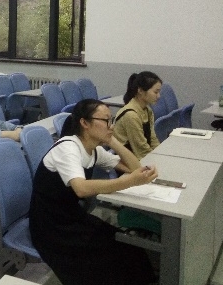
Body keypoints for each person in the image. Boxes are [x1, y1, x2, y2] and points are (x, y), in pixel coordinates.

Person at [29, 99, 158, 285]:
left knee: (127, 246)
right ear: (85, 123)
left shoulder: (94, 149)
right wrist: (128, 182)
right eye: (106, 120)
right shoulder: (68, 148)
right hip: (49, 225)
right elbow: (81, 189)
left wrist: (112, 141)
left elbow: (135, 168)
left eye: (111, 120)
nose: (111, 126)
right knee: (106, 261)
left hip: (71, 216)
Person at [113, 71, 162, 160]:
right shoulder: (131, 115)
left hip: (141, 156)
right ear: (140, 91)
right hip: (126, 160)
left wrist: (161, 154)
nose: (159, 96)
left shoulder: (148, 110)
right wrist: (158, 160)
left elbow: (153, 139)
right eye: (156, 92)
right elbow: (141, 150)